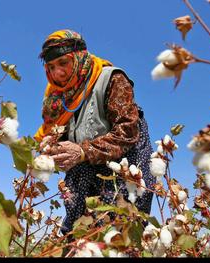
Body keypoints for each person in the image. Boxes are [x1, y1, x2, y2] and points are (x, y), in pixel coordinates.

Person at [34, 29, 155, 237]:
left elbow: (127, 131)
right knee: (79, 236)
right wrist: (51, 148)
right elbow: (63, 139)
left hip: (124, 168)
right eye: (51, 67)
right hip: (84, 175)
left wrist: (82, 151)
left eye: (63, 62)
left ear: (79, 56)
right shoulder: (58, 100)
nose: (57, 73)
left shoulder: (111, 79)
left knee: (118, 234)